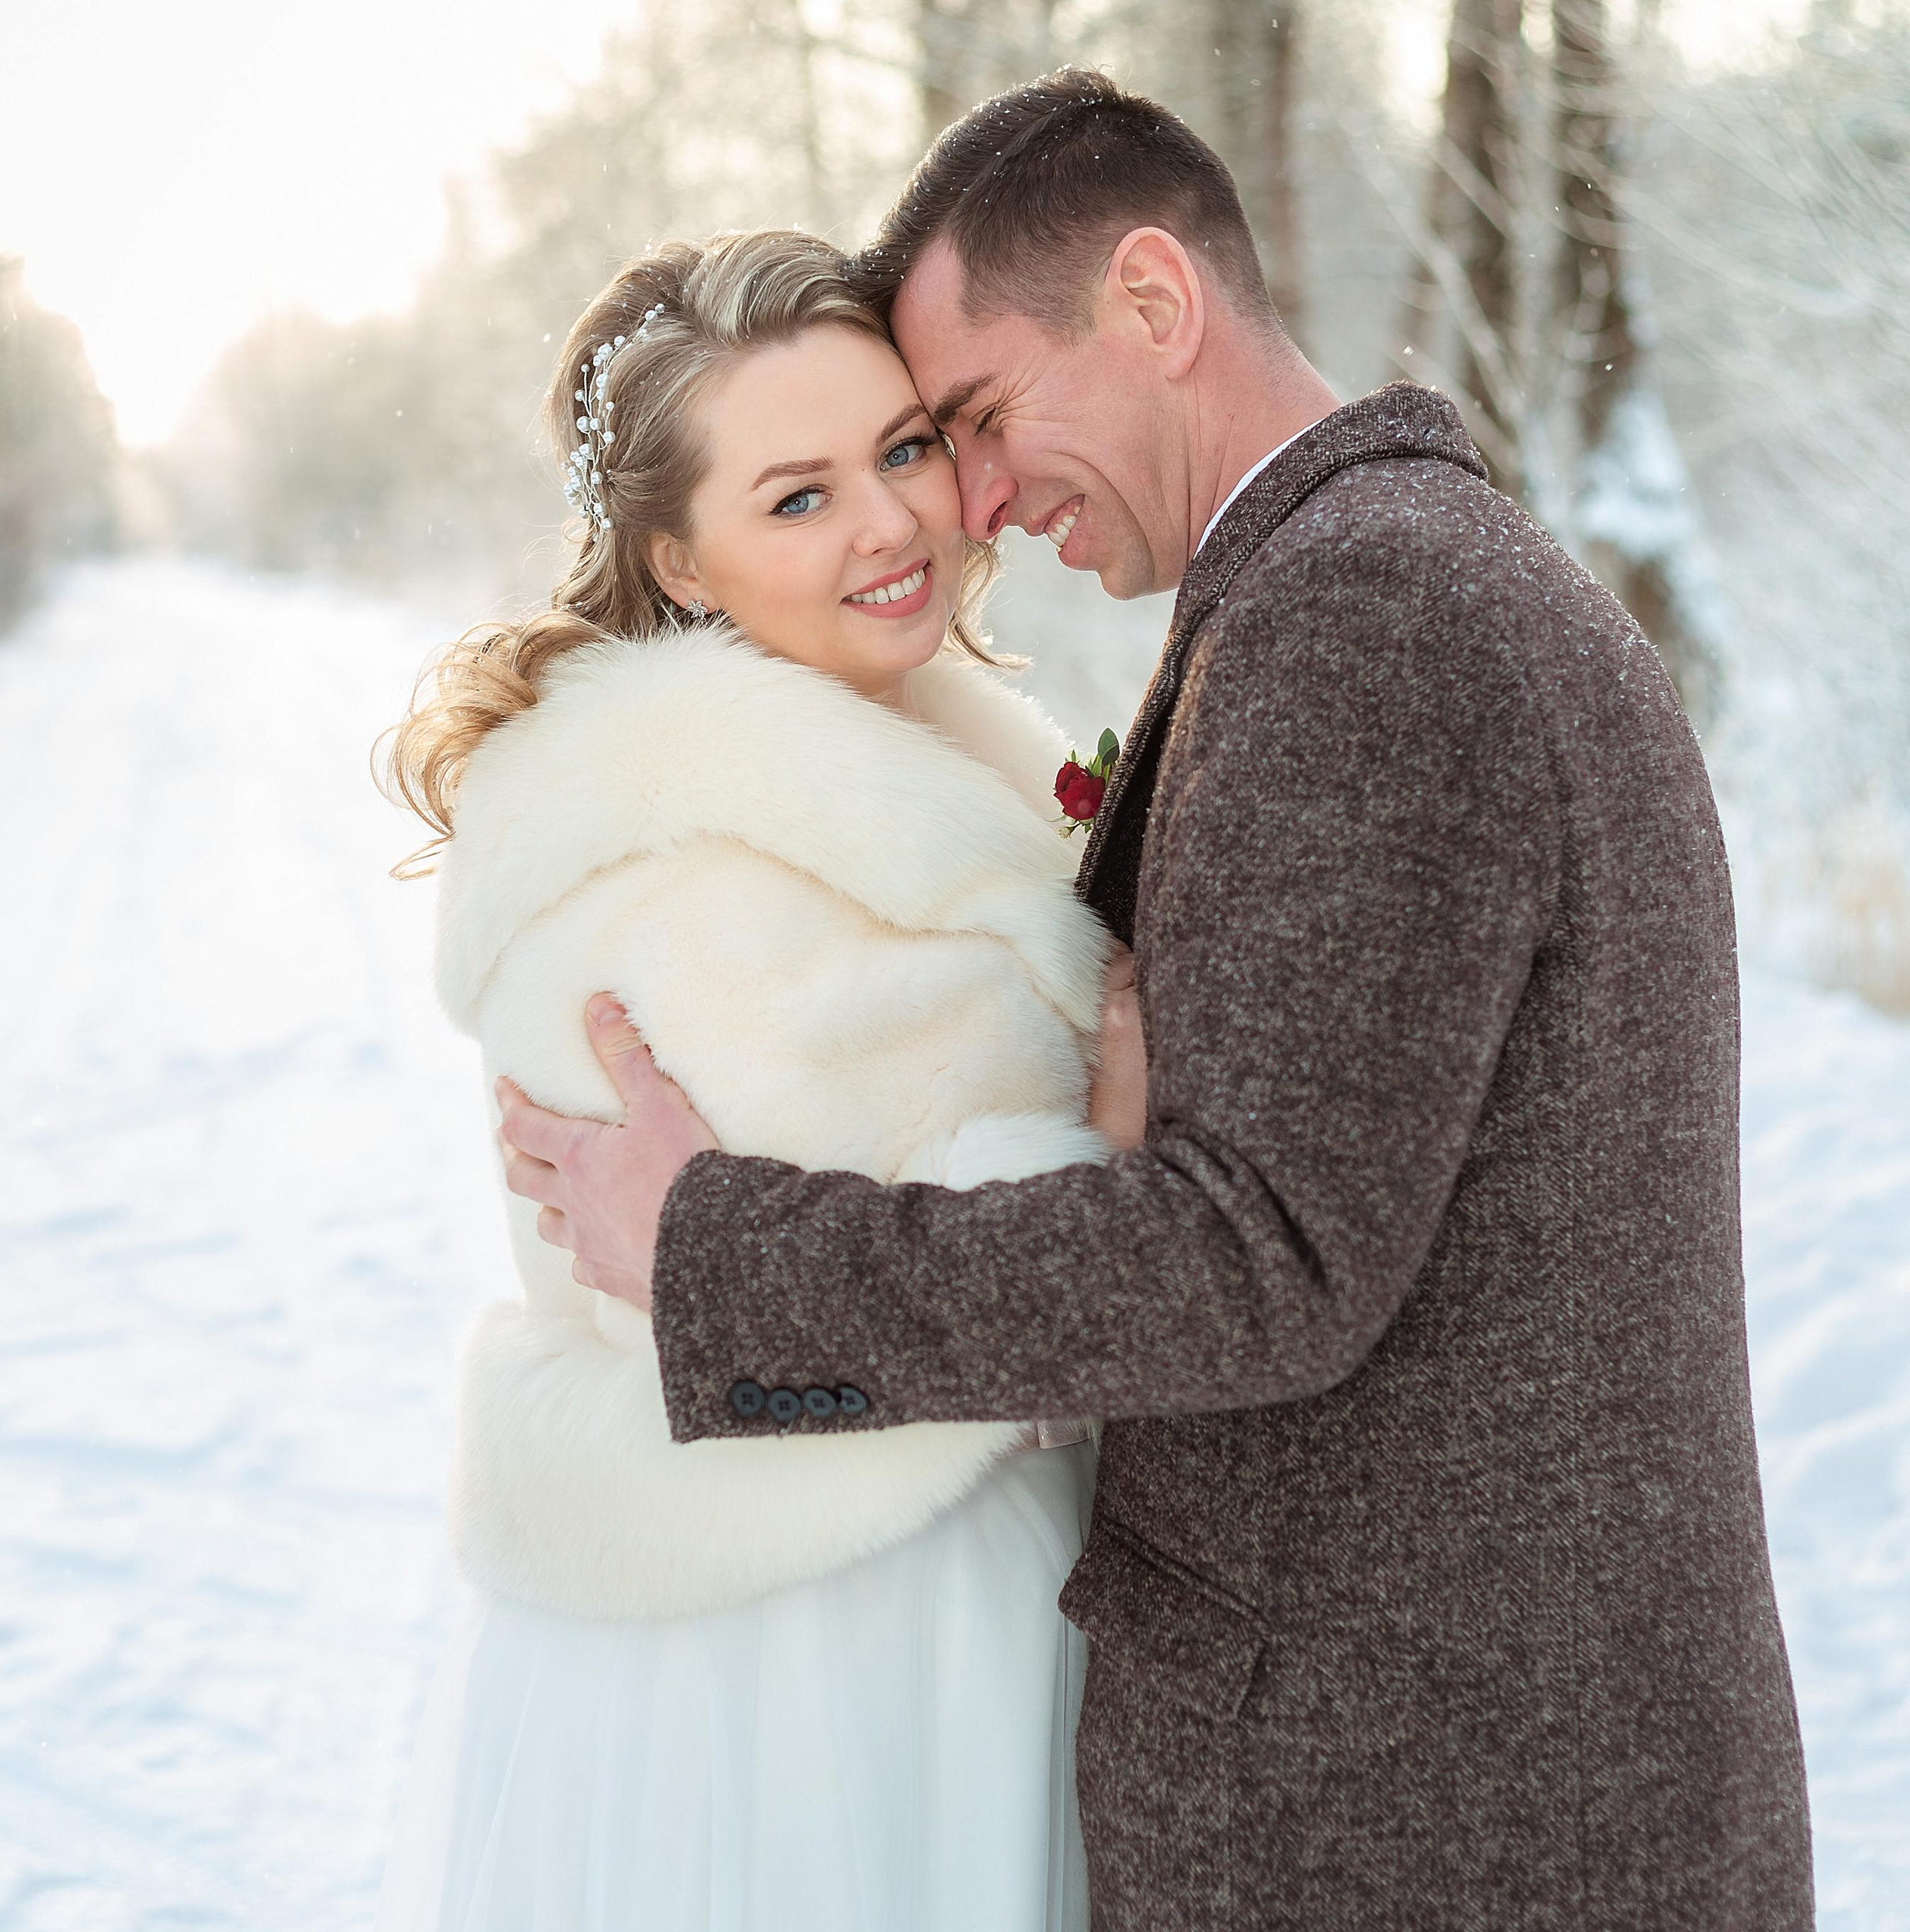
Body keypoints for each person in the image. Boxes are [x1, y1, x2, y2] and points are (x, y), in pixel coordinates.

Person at [498, 68, 1816, 1931]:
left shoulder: (1365, 623)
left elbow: (1249, 1260)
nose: (966, 499)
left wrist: (715, 1251)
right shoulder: (1385, 580)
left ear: (1150, 303)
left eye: (964, 418)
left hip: (1425, 1820)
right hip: (1468, 1779)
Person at [374, 228, 1129, 1931]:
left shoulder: (944, 741)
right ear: (682, 562)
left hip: (976, 1594)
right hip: (800, 1645)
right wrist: (1128, 1128)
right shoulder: (653, 878)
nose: (886, 524)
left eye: (902, 448)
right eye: (794, 497)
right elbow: (817, 1325)